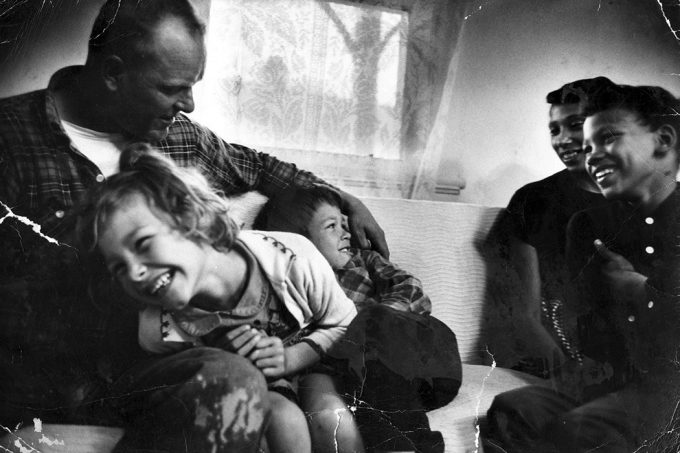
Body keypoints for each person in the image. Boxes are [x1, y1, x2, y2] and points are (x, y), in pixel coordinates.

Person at [0, 0, 386, 450]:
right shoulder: (10, 138)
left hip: (155, 374)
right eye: (172, 88)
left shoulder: (181, 137)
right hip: (51, 383)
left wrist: (346, 199)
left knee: (232, 379)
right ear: (113, 74)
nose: (188, 103)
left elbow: (262, 168)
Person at [76, 145, 363, 453]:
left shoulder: (292, 257)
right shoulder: (158, 328)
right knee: (285, 422)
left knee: (334, 425)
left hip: (317, 361)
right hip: (260, 388)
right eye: (119, 267)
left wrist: (292, 358)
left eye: (144, 243)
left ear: (192, 219)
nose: (134, 273)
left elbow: (345, 323)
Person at [485, 82, 680, 452]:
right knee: (513, 410)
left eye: (584, 128)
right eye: (555, 129)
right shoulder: (582, 219)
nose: (569, 142)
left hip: (664, 382)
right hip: (606, 370)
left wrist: (640, 293)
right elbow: (539, 316)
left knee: (585, 429)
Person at [256, 185, 462, 453]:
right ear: (299, 242)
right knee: (323, 384)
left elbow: (410, 289)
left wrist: (361, 325)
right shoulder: (290, 291)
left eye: (345, 224)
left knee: (373, 321)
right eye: (332, 226)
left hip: (425, 361)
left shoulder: (365, 261)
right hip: (368, 380)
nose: (346, 233)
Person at [499, 77, 612, 377]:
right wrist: (574, 377)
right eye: (555, 129)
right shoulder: (533, 200)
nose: (562, 140)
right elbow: (525, 317)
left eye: (576, 124)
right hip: (564, 366)